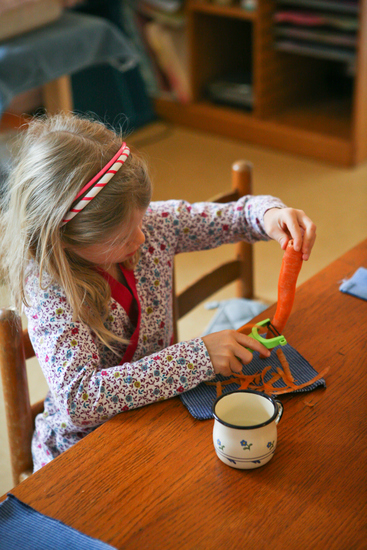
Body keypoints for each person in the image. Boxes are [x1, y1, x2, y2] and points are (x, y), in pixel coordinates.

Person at [0, 113, 316, 472]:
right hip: (82, 454)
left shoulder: (150, 226)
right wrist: (197, 357)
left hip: (159, 413)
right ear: (64, 239)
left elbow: (237, 217)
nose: (143, 238)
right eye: (122, 238)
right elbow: (80, 399)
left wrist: (271, 215)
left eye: (142, 218)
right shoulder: (49, 288)